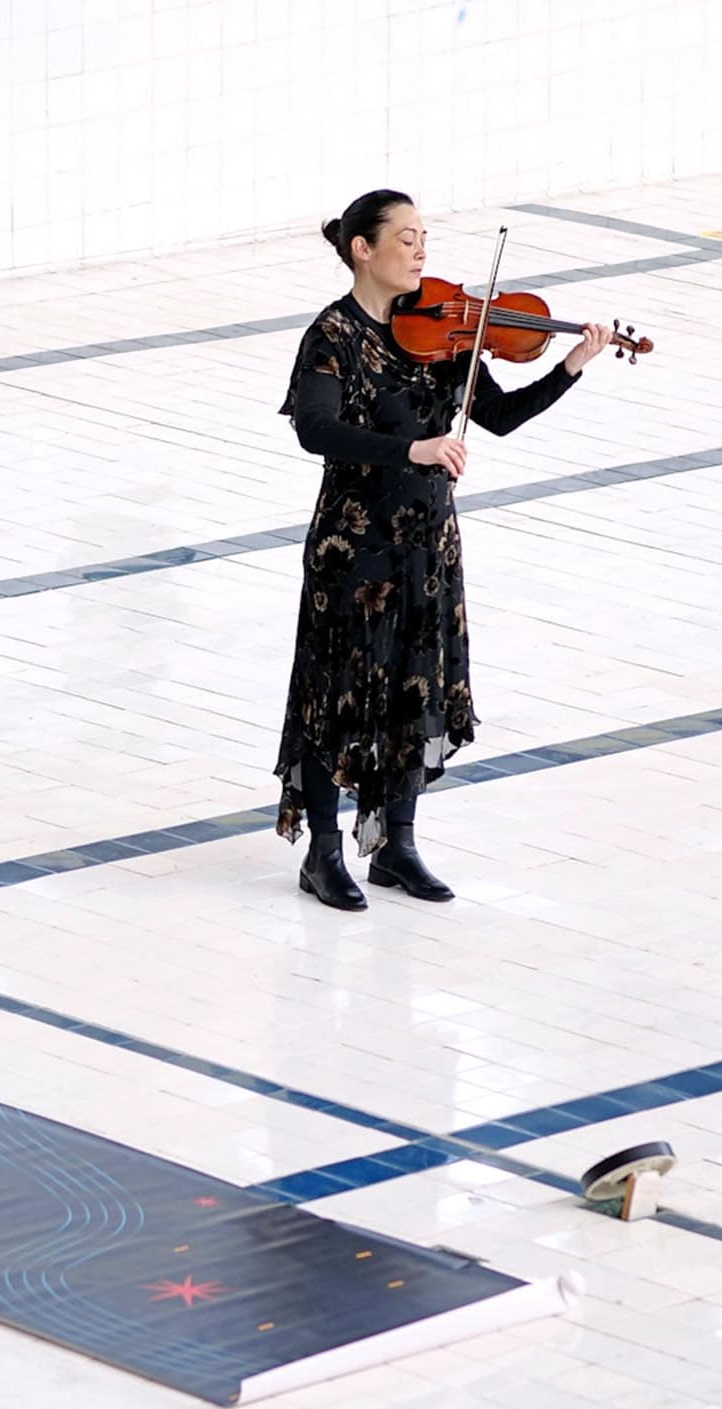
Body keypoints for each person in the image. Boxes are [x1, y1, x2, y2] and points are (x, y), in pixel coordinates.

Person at [274, 189, 613, 911]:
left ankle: (398, 847)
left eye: (424, 236)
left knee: (415, 685)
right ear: (362, 250)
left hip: (428, 543)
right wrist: (413, 448)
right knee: (337, 694)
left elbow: (496, 416)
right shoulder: (332, 335)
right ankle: (324, 855)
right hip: (353, 545)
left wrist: (571, 365)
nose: (421, 250)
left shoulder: (445, 331)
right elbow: (315, 430)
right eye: (405, 238)